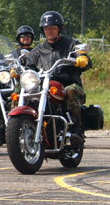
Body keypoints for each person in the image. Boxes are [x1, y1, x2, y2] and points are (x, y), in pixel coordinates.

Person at [26, 11, 91, 145]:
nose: (49, 31)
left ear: (59, 28)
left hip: (67, 83)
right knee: (20, 92)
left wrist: (82, 58)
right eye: (46, 28)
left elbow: (81, 53)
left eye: (52, 28)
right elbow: (29, 67)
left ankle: (76, 131)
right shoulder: (36, 51)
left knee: (71, 91)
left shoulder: (70, 45)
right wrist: (19, 70)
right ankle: (17, 126)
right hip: (44, 85)